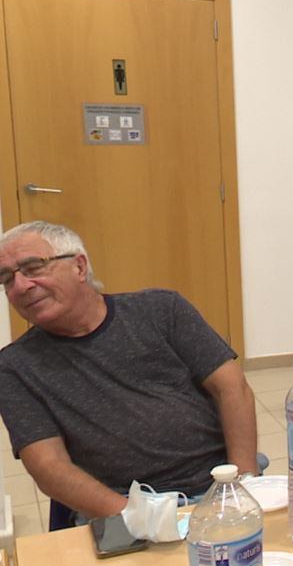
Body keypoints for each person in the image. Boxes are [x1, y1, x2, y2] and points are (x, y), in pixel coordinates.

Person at [0, 221, 260, 528]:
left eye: (33, 267)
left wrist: (242, 485)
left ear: (79, 267)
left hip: (220, 482)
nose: (20, 287)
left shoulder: (161, 310)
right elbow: (48, 466)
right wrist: (141, 519)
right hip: (121, 504)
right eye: (6, 279)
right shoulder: (15, 366)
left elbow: (232, 388)